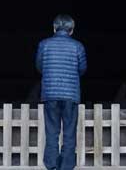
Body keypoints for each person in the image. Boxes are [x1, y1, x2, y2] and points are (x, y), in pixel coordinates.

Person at [35, 14, 88, 170]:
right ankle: (66, 166)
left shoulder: (44, 44)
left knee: (52, 131)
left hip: (50, 94)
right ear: (71, 30)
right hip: (71, 95)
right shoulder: (78, 46)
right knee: (69, 132)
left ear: (54, 28)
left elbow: (39, 67)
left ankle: (51, 166)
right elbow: (82, 69)